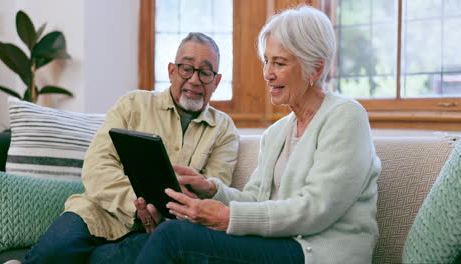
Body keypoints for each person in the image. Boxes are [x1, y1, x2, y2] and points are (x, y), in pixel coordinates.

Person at [133, 5, 382, 264]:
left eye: (279, 63)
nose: (267, 74)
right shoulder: (277, 133)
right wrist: (209, 189)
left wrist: (227, 218)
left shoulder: (345, 116)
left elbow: (315, 209)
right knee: (169, 231)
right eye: (266, 61)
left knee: (174, 237)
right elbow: (254, 200)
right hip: (277, 245)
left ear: (316, 69)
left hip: (317, 253)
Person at [21, 32, 239, 264]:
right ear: (172, 71)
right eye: (186, 68)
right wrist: (137, 206)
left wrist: (165, 215)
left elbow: (214, 193)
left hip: (158, 230)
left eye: (205, 72)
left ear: (216, 81)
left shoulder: (223, 129)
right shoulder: (133, 104)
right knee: (52, 253)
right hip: (97, 210)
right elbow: (97, 166)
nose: (195, 80)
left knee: (104, 260)